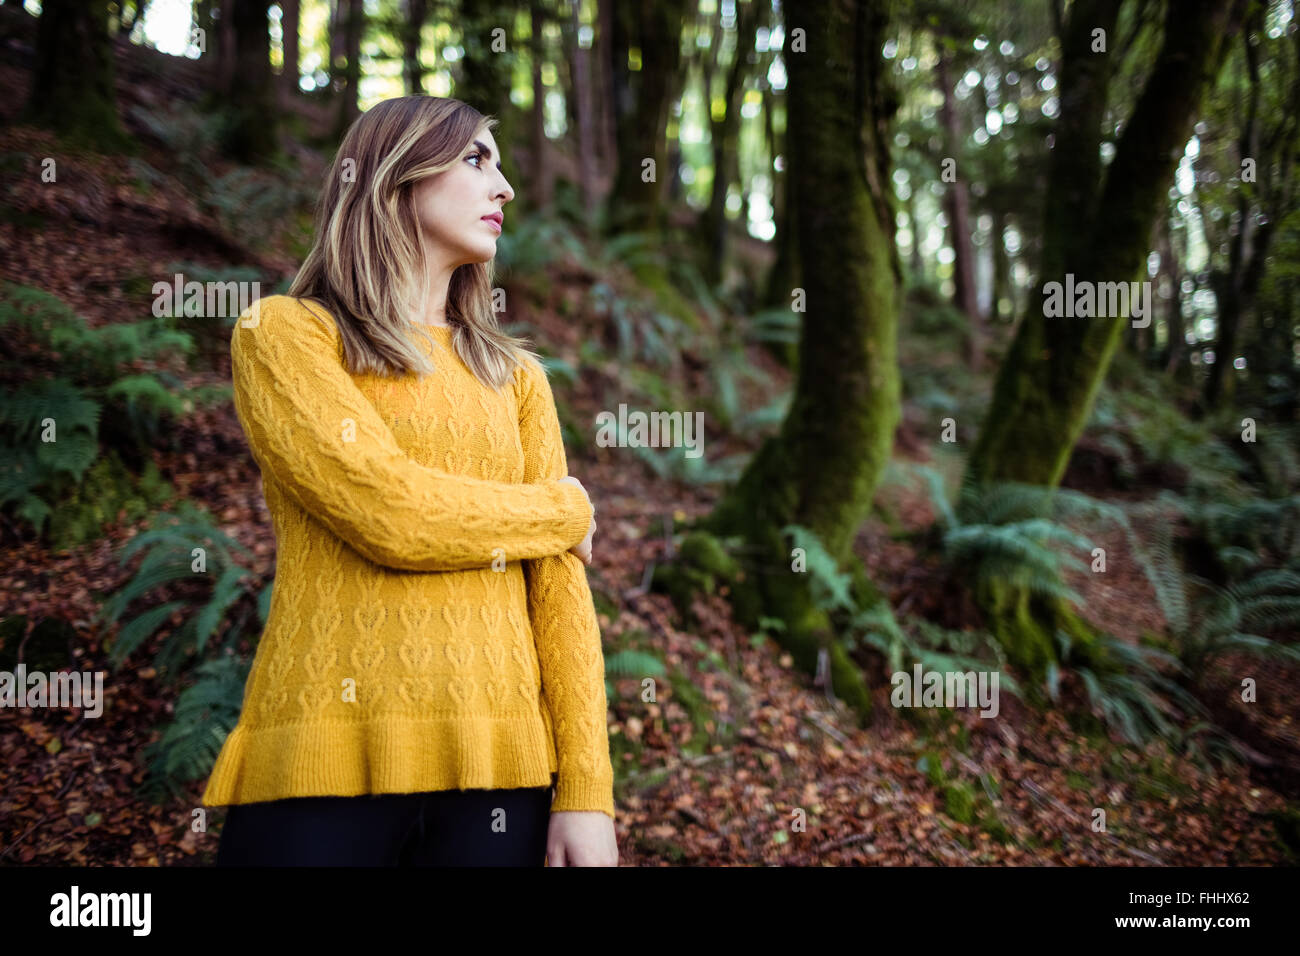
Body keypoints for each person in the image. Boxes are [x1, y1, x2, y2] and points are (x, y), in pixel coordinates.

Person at [204, 95, 618, 867]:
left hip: (503, 780)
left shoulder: (516, 378)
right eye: (476, 160)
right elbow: (387, 513)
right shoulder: (287, 335)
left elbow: (560, 599)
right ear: (394, 173)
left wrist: (587, 791)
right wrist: (561, 511)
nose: (506, 189)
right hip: (321, 758)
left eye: (500, 166)